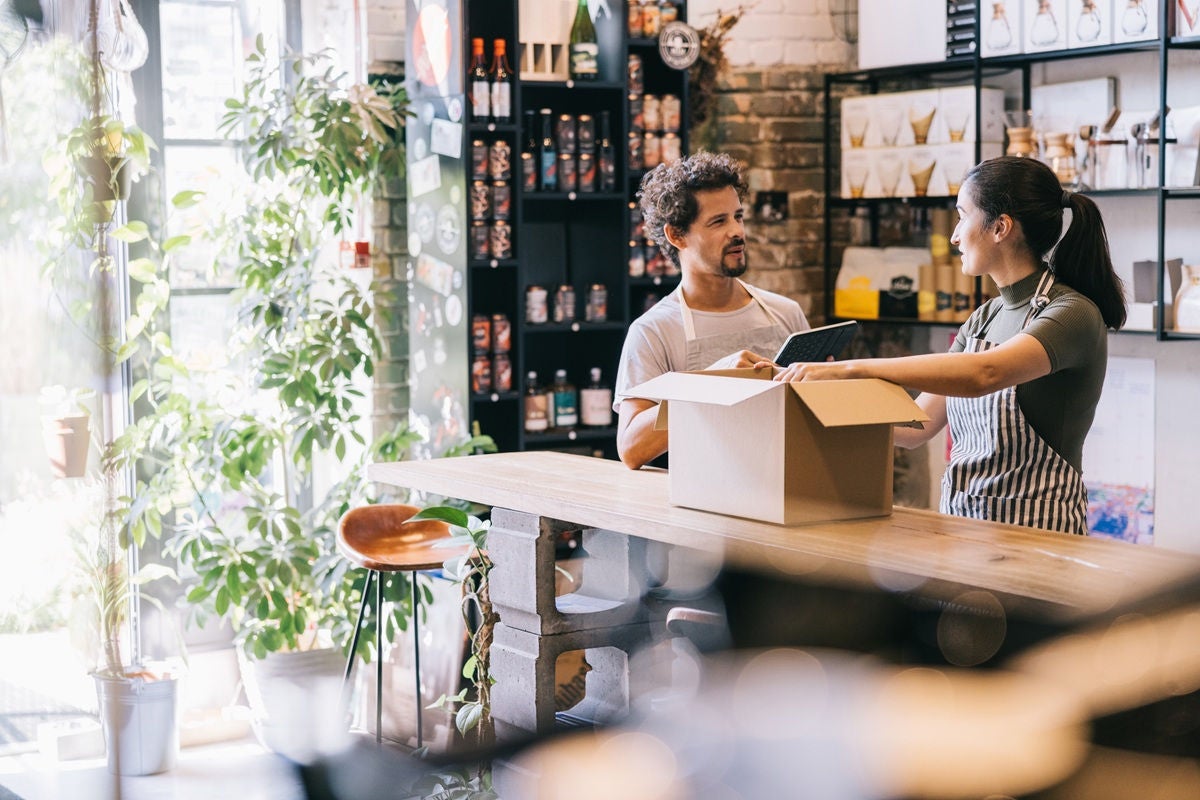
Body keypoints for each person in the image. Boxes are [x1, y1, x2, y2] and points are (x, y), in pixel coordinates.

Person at [772, 156, 1126, 535]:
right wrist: (818, 396)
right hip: (961, 529)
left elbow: (983, 374)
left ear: (1000, 227)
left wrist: (850, 368)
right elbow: (915, 426)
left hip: (1038, 535)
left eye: (962, 216)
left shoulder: (1071, 314)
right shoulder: (984, 318)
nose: (954, 235)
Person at [614, 152, 810, 469]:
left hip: (793, 491)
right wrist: (713, 381)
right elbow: (632, 447)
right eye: (719, 221)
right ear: (676, 235)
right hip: (704, 504)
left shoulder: (785, 313)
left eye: (738, 216)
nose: (737, 232)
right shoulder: (653, 332)